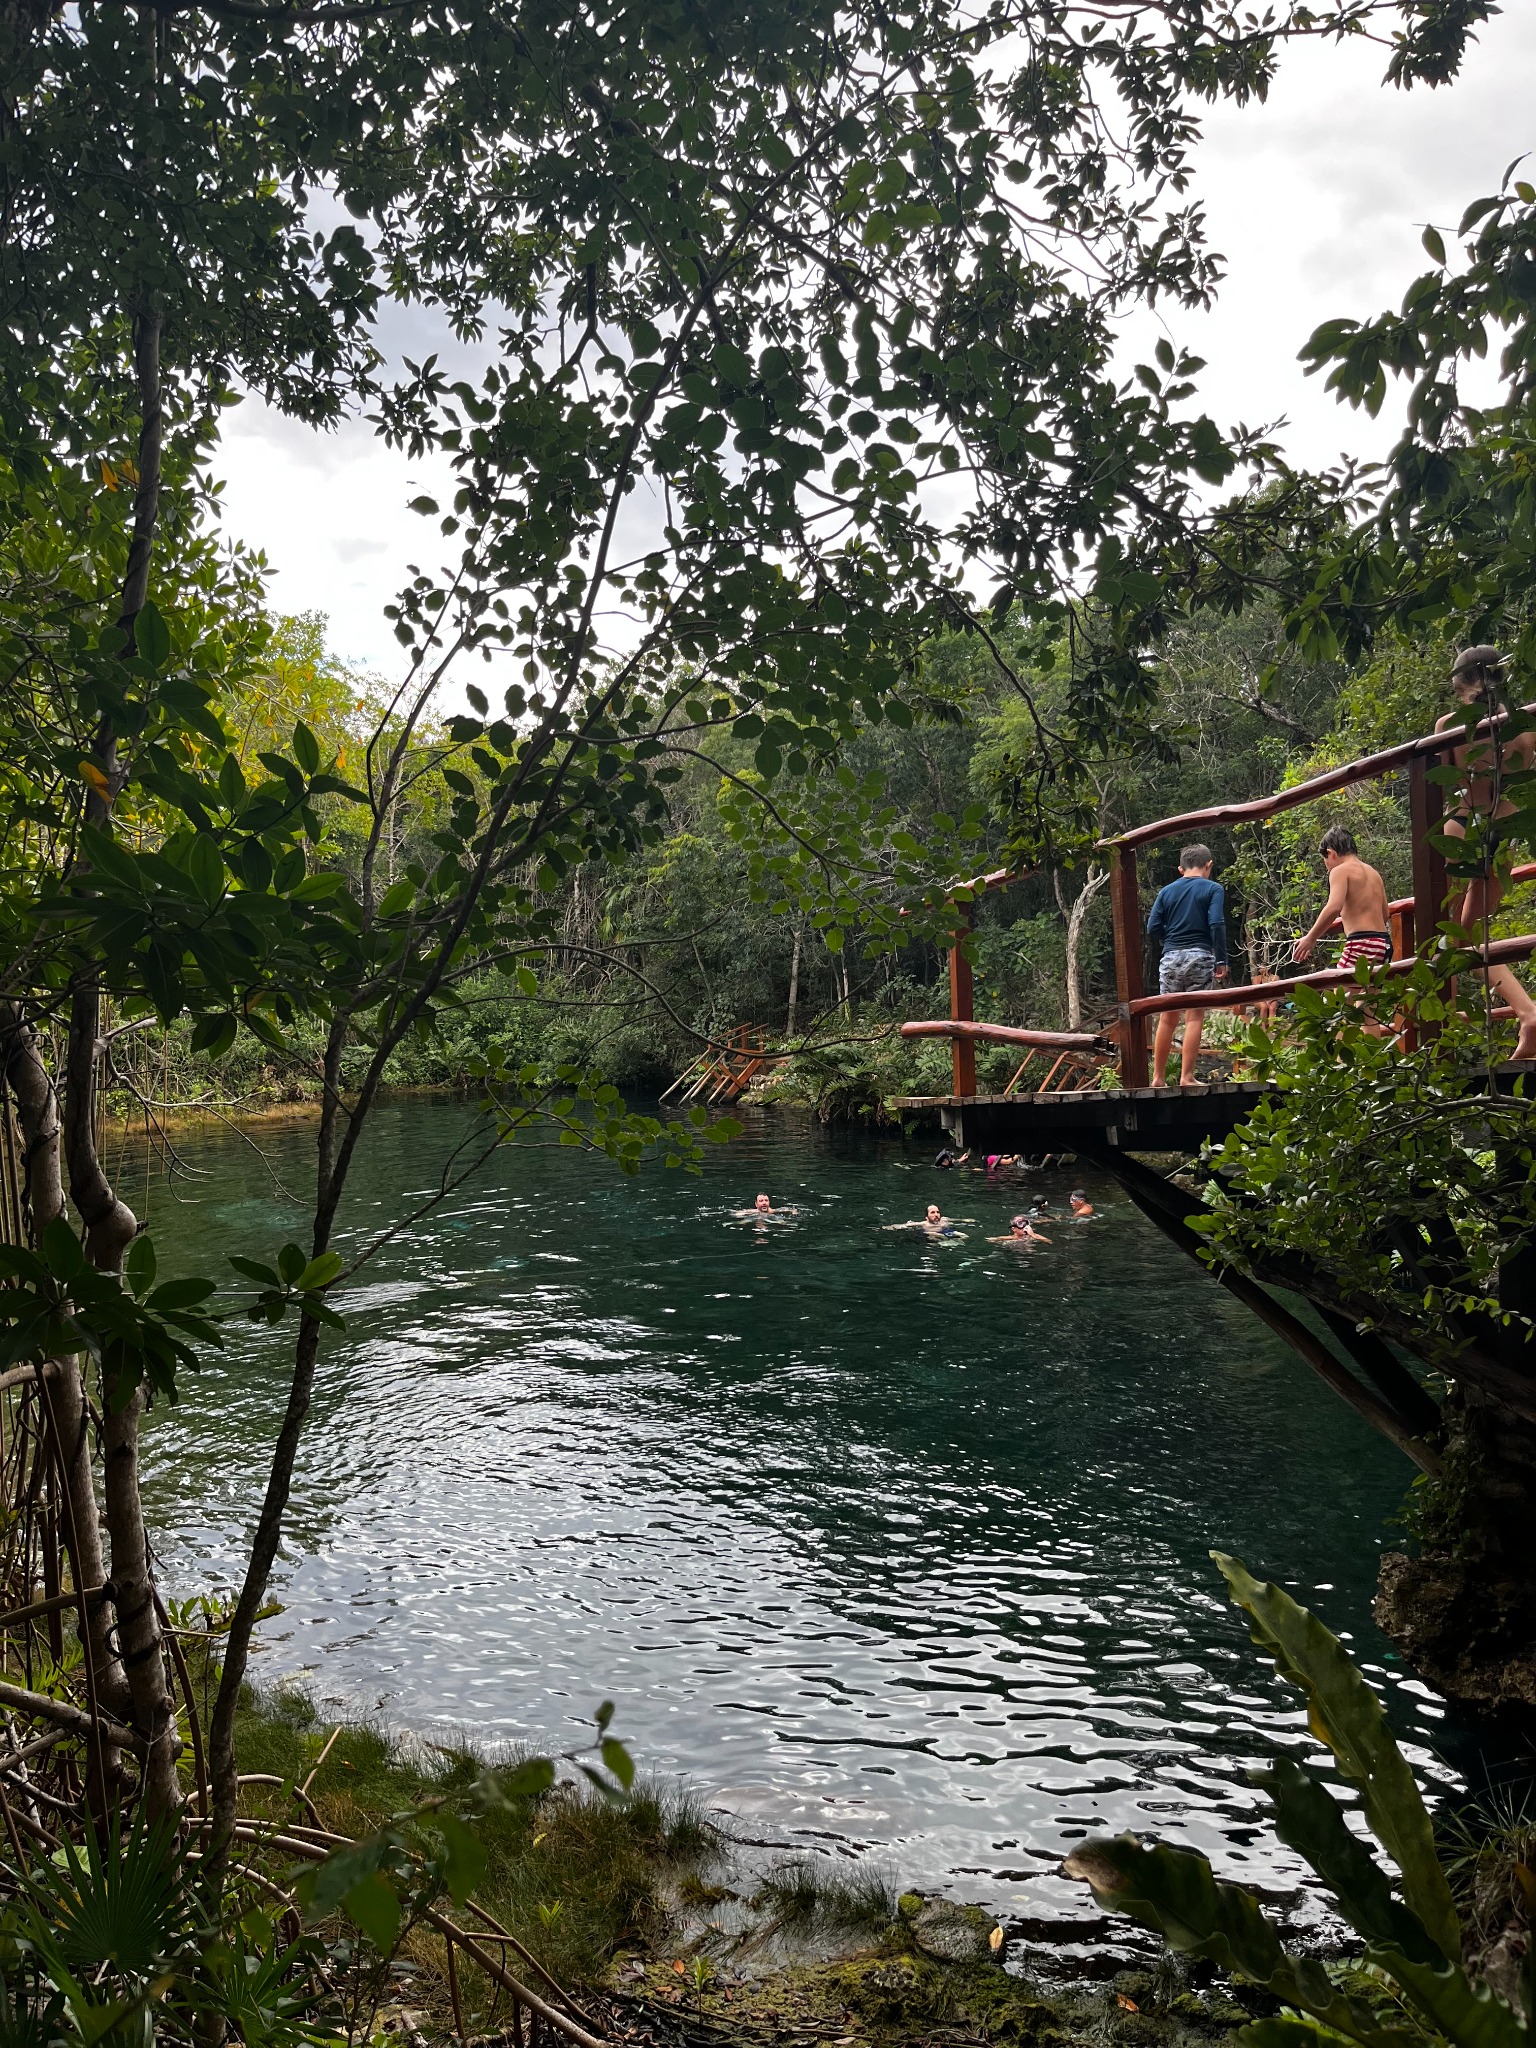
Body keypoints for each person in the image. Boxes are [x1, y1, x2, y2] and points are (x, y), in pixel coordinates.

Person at [1433, 646, 1536, 1061]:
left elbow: (1442, 782)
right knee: (1470, 936)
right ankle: (1518, 1019)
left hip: (1464, 828)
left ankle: (1526, 1014)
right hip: (1507, 830)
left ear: (1459, 683)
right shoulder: (1527, 726)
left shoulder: (1450, 724)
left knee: (1459, 940)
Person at [1146, 843, 1229, 1087]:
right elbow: (1216, 923)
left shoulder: (1167, 891)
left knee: (1167, 1018)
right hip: (1199, 956)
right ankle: (1186, 1077)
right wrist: (1222, 959)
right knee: (1194, 1017)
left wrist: (1171, 937)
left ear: (1181, 869)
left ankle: (1158, 1078)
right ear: (1208, 865)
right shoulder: (1213, 888)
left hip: (1170, 957)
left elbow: (1152, 927)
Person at [1292, 827, 1393, 972]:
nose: (1327, 868)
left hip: (1362, 944)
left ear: (1330, 853)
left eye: (1324, 861)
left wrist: (1310, 938)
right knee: (1369, 994)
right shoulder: (1373, 873)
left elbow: (1334, 907)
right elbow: (1385, 914)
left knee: (1338, 991)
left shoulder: (1340, 871)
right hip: (1384, 944)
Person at [886, 1202, 966, 1237]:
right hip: (932, 1235)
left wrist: (967, 1221)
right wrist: (889, 1227)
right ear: (926, 1217)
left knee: (964, 1236)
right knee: (933, 1235)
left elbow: (958, 1220)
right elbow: (905, 1225)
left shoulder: (944, 1220)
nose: (936, 1215)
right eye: (932, 1212)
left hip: (946, 1231)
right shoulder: (924, 1224)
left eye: (937, 1212)